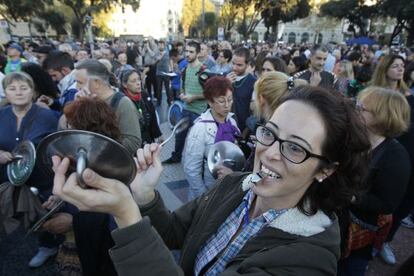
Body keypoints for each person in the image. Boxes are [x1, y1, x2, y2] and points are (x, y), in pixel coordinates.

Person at [52, 85, 371, 276]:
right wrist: (145, 195)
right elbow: (175, 232)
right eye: (270, 134)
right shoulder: (235, 186)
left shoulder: (309, 258)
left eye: (295, 148)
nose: (270, 153)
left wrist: (126, 213)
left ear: (325, 170)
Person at [338, 87, 411, 274]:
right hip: (336, 221)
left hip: (359, 234)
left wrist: (352, 197)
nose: (355, 110)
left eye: (362, 108)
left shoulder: (396, 157)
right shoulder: (353, 137)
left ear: (382, 117)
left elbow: (387, 204)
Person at [0, 72, 59, 268]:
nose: (18, 93)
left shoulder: (47, 116)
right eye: (12, 88)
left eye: (23, 88)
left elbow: (56, 146)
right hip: (7, 176)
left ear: (33, 92)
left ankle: (48, 246)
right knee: (9, 215)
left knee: (44, 215)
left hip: (41, 177)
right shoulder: (1, 115)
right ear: (5, 93)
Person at [183, 77, 239, 201]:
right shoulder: (200, 128)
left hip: (227, 190)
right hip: (206, 193)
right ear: (210, 102)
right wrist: (204, 197)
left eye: (230, 100)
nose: (227, 105)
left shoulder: (232, 122)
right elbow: (191, 169)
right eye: (221, 101)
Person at [74, 59, 142, 154]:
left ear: (97, 83)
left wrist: (99, 147)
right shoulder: (84, 101)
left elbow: (133, 143)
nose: (77, 87)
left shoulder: (123, 104)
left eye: (80, 82)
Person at [163, 41, 207, 164]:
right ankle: (176, 157)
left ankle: (199, 164)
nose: (187, 54)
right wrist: (182, 94)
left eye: (191, 52)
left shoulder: (204, 70)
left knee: (197, 141)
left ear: (198, 53)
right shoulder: (185, 69)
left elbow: (209, 94)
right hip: (186, 109)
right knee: (179, 134)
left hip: (199, 113)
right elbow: (183, 87)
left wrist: (194, 97)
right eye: (186, 51)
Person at [120, 69, 162, 144]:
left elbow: (152, 114)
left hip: (148, 138)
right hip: (134, 142)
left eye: (139, 79)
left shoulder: (144, 95)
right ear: (124, 84)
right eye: (133, 81)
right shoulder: (123, 101)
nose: (138, 83)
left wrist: (158, 134)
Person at [226, 47, 257, 132]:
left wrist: (246, 131)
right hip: (225, 124)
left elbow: (254, 112)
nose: (234, 67)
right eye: (233, 63)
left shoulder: (254, 82)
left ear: (248, 64)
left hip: (242, 128)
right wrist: (224, 84)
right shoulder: (226, 76)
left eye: (239, 65)